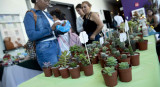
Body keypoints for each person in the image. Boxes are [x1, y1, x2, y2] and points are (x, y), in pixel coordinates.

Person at [23, 0, 61, 68]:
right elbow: (31, 36)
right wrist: (51, 29)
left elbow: (53, 31)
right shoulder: (30, 14)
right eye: (46, 1)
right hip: (45, 47)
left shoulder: (47, 14)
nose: (48, 3)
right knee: (53, 74)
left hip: (56, 44)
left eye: (49, 1)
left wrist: (61, 30)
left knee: (63, 70)